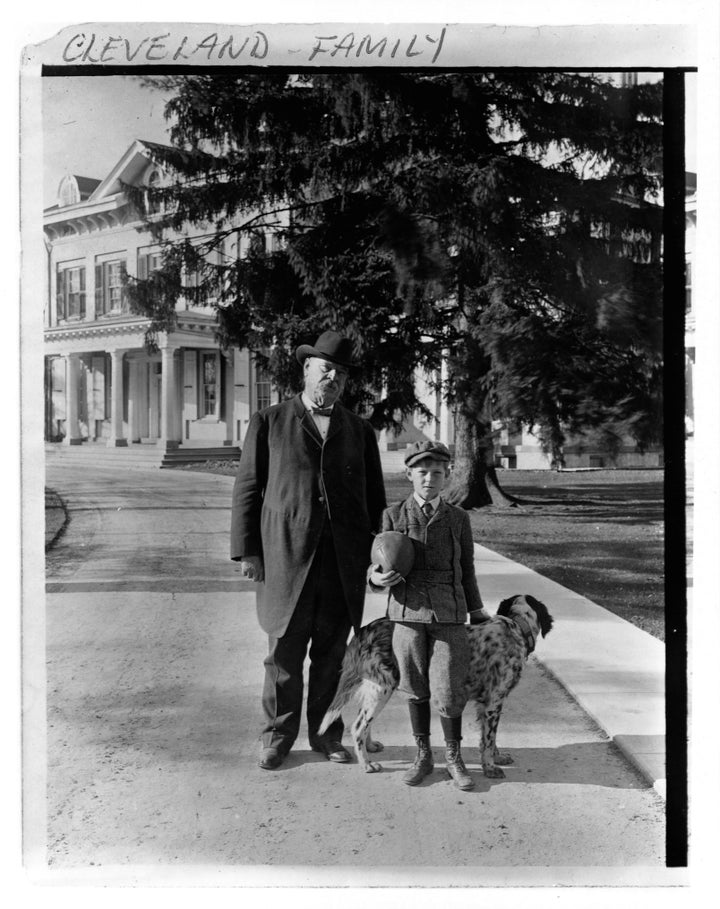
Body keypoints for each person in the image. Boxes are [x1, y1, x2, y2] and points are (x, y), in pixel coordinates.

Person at [231, 330, 386, 770]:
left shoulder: (359, 430)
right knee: (282, 657)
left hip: (341, 564)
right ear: (306, 370)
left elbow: (374, 501)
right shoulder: (270, 422)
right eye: (325, 369)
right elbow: (247, 489)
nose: (332, 378)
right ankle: (276, 738)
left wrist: (378, 559)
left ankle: (326, 736)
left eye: (339, 373)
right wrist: (249, 552)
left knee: (333, 657)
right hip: (285, 559)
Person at [369, 440, 492, 790]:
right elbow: (380, 559)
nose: (429, 479)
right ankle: (423, 755)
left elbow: (466, 568)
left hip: (449, 613)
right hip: (407, 613)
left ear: (446, 474)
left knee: (450, 685)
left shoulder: (458, 518)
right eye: (421, 472)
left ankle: (454, 757)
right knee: (413, 685)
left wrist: (477, 609)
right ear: (409, 474)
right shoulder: (393, 515)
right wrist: (375, 578)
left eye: (437, 472)